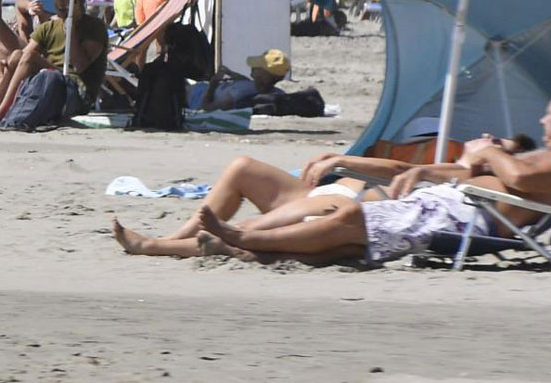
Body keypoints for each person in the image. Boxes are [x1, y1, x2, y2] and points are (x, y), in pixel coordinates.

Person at [190, 107, 551, 264]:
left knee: (346, 221)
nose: (543, 118)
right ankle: (219, 246)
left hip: (451, 215)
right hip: (438, 205)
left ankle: (240, 239)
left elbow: (518, 177)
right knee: (342, 240)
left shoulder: (518, 168)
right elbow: (413, 170)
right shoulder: (497, 168)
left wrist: (490, 151)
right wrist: (427, 173)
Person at [111, 130, 538, 259]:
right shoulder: (468, 170)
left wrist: (489, 153)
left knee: (337, 214)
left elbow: (400, 173)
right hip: (348, 193)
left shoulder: (499, 171)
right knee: (242, 167)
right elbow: (408, 169)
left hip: (363, 202)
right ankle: (181, 240)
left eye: (496, 137)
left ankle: (176, 245)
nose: (484, 136)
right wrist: (340, 159)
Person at [0, 0, 108, 129]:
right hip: (51, 82)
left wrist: (71, 28)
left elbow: (80, 66)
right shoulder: (49, 27)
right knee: (16, 55)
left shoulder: (94, 27)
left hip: (78, 92)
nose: (61, 2)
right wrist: (5, 64)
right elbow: (22, 56)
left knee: (29, 58)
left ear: (79, 2)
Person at [190, 49, 290, 112]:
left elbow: (206, 107)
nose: (252, 68)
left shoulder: (240, 97)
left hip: (197, 95)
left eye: (256, 67)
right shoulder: (276, 92)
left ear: (263, 74)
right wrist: (231, 73)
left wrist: (213, 83)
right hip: (204, 88)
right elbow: (247, 84)